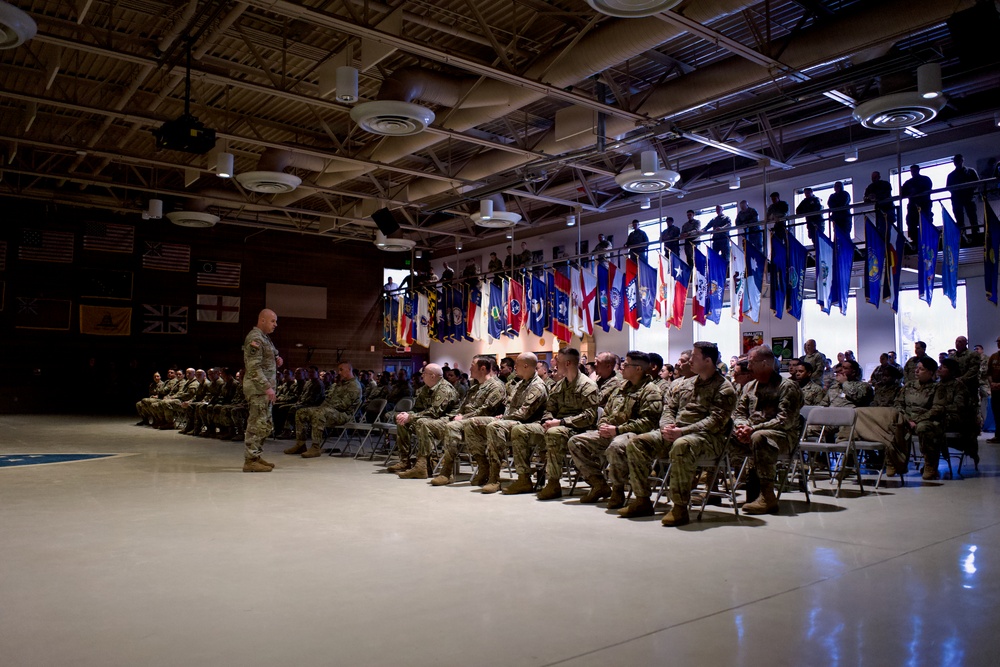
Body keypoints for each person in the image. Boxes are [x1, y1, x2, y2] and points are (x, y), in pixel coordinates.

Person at [621, 342, 737, 526]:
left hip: (708, 439)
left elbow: (715, 421)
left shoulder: (724, 388)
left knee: (682, 445)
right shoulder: (684, 384)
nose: (690, 360)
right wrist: (667, 427)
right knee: (637, 442)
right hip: (675, 433)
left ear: (708, 361)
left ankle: (680, 507)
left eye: (694, 357)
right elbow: (669, 408)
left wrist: (682, 431)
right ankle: (642, 500)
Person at [568, 351, 662, 509]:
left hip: (634, 435)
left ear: (638, 369)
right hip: (612, 431)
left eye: (626, 365)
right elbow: (605, 411)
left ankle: (618, 489)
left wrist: (617, 430)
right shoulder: (620, 388)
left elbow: (648, 422)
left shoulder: (651, 390)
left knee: (616, 446)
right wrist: (603, 425)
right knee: (576, 441)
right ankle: (599, 484)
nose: (622, 368)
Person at [507, 347, 599, 499]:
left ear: (568, 363)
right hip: (556, 425)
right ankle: (523, 478)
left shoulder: (587, 385)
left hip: (578, 429)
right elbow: (549, 408)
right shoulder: (559, 386)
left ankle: (553, 483)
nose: (555, 367)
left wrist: (561, 422)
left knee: (553, 433)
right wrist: (547, 420)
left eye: (558, 363)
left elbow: (589, 417)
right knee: (520, 430)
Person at [731, 345, 803, 514]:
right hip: (751, 434)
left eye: (751, 363)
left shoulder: (787, 387)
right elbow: (739, 413)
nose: (748, 367)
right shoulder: (749, 387)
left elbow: (784, 421)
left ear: (764, 363)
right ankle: (709, 487)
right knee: (721, 434)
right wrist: (741, 427)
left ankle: (767, 496)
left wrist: (752, 429)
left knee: (759, 437)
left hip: (783, 437)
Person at [472, 353, 549, 494]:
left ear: (526, 366)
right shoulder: (520, 384)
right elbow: (510, 406)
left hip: (530, 424)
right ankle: (484, 467)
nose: (515, 368)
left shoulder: (537, 386)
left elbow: (524, 414)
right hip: (513, 420)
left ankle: (496, 477)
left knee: (494, 426)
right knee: (474, 422)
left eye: (517, 365)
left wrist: (504, 418)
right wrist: (504, 416)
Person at [428, 357, 507, 487]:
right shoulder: (474, 387)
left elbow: (486, 410)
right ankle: (437, 466)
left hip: (485, 422)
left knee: (453, 426)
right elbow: (463, 406)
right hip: (467, 420)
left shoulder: (496, 386)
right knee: (440, 423)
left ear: (482, 369)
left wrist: (463, 418)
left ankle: (449, 471)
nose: (469, 368)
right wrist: (458, 414)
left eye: (472, 365)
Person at [394, 364, 461, 479]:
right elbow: (417, 409)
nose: (422, 376)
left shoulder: (444, 389)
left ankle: (422, 466)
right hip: (429, 420)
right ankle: (405, 461)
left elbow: (435, 412)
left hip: (446, 421)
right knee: (403, 422)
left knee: (422, 423)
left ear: (432, 376)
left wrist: (411, 417)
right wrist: (407, 416)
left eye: (424, 373)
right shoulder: (425, 389)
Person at [287, 362, 361, 459]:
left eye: (341, 370)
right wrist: (323, 406)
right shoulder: (339, 383)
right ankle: (300, 444)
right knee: (301, 412)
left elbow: (343, 406)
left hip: (344, 415)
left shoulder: (354, 386)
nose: (339, 372)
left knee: (319, 413)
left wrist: (324, 408)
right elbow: (328, 398)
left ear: (349, 370)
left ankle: (316, 447)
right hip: (330, 411)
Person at [242, 309, 281, 472]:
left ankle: (256, 455)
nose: (275, 325)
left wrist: (277, 358)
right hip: (259, 389)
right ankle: (250, 460)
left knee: (265, 424)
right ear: (262, 320)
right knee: (256, 424)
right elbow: (253, 367)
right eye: (272, 321)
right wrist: (267, 387)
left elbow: (270, 355)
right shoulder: (255, 337)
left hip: (264, 390)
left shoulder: (265, 338)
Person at [894, 357, 942, 480]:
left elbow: (937, 409)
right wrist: (906, 419)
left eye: (921, 369)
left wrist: (917, 421)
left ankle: (930, 464)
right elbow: (898, 404)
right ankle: (895, 462)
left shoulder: (937, 388)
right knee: (893, 424)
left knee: (924, 428)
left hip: (926, 421)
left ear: (930, 372)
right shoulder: (909, 385)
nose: (917, 371)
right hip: (907, 420)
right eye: (917, 368)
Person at [947, 154, 980, 233]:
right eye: (955, 161)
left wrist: (968, 190)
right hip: (957, 199)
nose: (956, 163)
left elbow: (977, 183)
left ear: (962, 161)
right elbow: (949, 188)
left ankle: (975, 234)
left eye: (958, 161)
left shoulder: (970, 171)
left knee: (972, 217)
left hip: (969, 197)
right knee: (959, 219)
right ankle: (962, 235)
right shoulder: (951, 175)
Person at [901, 164, 933, 243]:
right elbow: (902, 193)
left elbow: (928, 188)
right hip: (913, 206)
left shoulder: (925, 179)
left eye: (914, 171)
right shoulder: (908, 182)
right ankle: (914, 239)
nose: (913, 173)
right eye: (912, 171)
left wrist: (916, 191)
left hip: (924, 204)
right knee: (911, 222)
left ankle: (926, 237)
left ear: (918, 170)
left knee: (925, 221)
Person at [987, 337, 1000, 444]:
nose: (999, 344)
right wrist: (992, 383)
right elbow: (989, 373)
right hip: (995, 390)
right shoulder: (993, 356)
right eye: (998, 342)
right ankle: (998, 435)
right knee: (997, 413)